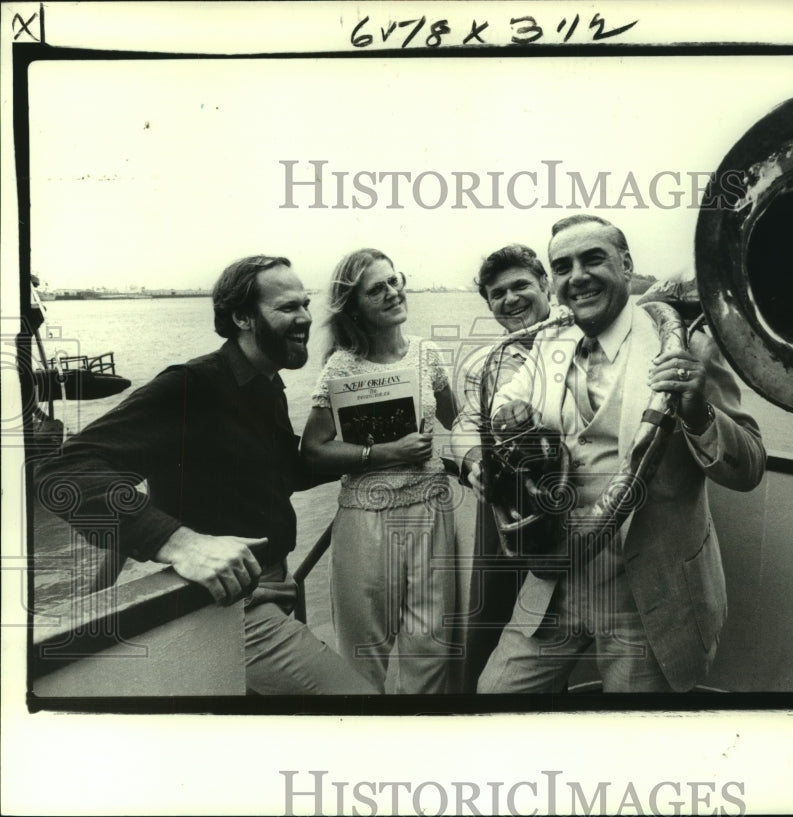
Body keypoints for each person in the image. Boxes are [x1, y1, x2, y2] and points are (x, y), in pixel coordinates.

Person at [33, 255, 376, 694]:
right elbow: (61, 474)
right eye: (288, 307)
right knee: (361, 702)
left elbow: (279, 469)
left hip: (268, 588)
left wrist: (374, 454)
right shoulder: (191, 387)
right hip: (221, 605)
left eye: (306, 304)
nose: (306, 317)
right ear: (242, 317)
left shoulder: (263, 382)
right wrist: (181, 544)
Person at [477, 215, 767, 693]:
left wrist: (699, 416)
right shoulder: (549, 341)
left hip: (647, 594)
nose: (578, 277)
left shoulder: (690, 345)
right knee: (493, 696)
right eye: (563, 266)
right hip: (554, 582)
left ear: (627, 266)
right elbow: (496, 408)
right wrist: (508, 423)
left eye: (594, 259)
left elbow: (750, 466)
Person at [302, 248, 462, 694]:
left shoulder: (428, 354)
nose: (393, 292)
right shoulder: (342, 365)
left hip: (430, 511)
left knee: (430, 648)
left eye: (395, 280)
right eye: (378, 289)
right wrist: (389, 452)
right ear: (355, 307)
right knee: (362, 655)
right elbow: (313, 451)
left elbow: (460, 421)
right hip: (366, 518)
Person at [448, 244, 552, 692]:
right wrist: (472, 460)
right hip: (530, 525)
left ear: (546, 284)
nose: (510, 300)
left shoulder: (587, 336)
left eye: (520, 286)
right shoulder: (482, 364)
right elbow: (465, 423)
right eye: (497, 294)